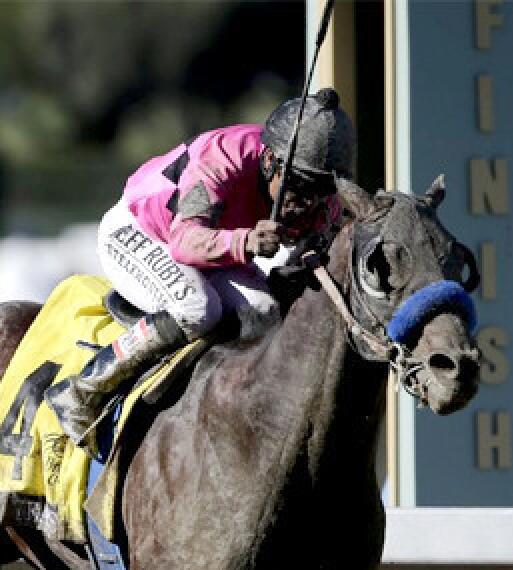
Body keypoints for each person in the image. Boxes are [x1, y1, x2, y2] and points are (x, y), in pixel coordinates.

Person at [46, 88, 356, 448]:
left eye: (321, 189)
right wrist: (245, 242)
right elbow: (185, 241)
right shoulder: (223, 156)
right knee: (198, 308)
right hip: (143, 231)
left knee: (265, 311)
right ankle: (84, 389)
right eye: (300, 186)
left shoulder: (321, 201)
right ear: (270, 160)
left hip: (212, 246)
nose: (308, 203)